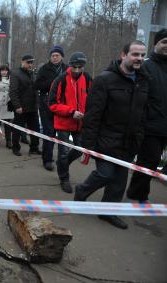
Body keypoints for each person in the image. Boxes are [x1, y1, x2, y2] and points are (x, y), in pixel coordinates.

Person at [74, 40, 149, 229]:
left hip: (129, 142)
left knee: (119, 181)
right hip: (106, 140)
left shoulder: (144, 80)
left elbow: (144, 111)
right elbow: (93, 114)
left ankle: (108, 212)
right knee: (105, 174)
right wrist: (88, 144)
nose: (139, 58)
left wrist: (139, 136)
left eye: (142, 55)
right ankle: (81, 192)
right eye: (135, 54)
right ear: (123, 55)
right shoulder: (104, 80)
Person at [126, 29, 167, 202]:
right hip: (151, 126)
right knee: (149, 161)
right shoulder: (146, 66)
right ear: (156, 43)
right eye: (165, 42)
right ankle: (137, 194)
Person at [49, 52, 92, 193]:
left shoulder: (87, 78)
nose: (77, 70)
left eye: (80, 67)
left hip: (80, 123)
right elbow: (52, 104)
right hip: (64, 122)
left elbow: (93, 99)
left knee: (80, 148)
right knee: (63, 152)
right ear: (70, 65)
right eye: (75, 67)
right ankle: (64, 178)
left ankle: (63, 164)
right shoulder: (61, 80)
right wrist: (71, 112)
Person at [36, 45, 67, 171]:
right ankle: (47, 159)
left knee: (60, 134)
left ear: (62, 57)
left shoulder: (67, 69)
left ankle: (58, 159)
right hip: (46, 105)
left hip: (62, 106)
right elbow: (37, 85)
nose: (54, 58)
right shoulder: (44, 69)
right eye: (53, 55)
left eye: (57, 55)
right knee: (49, 133)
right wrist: (53, 83)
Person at [9, 55, 41, 156]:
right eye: (28, 62)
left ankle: (34, 148)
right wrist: (17, 106)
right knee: (18, 129)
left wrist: (38, 103)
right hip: (21, 108)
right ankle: (15, 147)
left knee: (35, 129)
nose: (30, 64)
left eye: (31, 62)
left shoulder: (32, 74)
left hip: (33, 107)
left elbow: (35, 89)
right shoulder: (15, 74)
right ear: (22, 62)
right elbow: (13, 92)